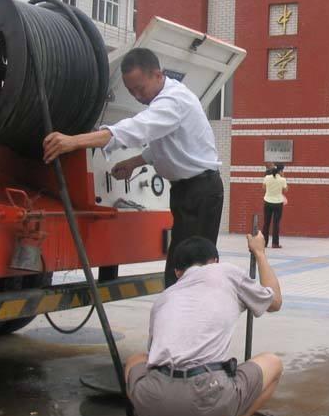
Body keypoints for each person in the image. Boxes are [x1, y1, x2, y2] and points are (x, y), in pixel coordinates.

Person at [42, 48, 224, 287]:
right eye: (131, 91)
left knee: (190, 273)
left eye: (140, 88)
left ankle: (189, 310)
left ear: (158, 75)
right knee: (183, 268)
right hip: (188, 191)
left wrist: (73, 141)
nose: (137, 96)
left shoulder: (173, 101)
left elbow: (136, 129)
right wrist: (133, 163)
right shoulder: (164, 100)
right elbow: (165, 146)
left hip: (200, 192)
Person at [124, 234, 283, 416]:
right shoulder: (225, 272)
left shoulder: (164, 298)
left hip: (153, 403)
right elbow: (275, 301)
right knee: (273, 363)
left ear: (178, 272)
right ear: (214, 261)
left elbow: (154, 360)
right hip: (211, 398)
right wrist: (260, 252)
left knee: (136, 360)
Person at [262, 164, 287, 248]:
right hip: (278, 203)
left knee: (266, 223)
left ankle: (264, 243)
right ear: (280, 171)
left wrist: (270, 191)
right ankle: (275, 243)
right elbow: (285, 190)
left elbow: (263, 187)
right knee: (276, 224)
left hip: (267, 202)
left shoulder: (267, 178)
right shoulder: (282, 179)